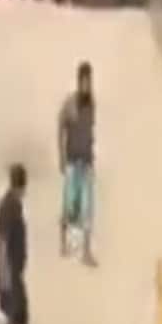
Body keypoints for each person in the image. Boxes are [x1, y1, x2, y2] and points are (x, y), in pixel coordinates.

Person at [57, 62, 98, 265]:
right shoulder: (70, 104)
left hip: (86, 160)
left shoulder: (92, 103)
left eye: (89, 82)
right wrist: (61, 157)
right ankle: (63, 243)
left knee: (88, 207)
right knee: (69, 206)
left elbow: (91, 130)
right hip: (73, 161)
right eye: (84, 82)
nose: (87, 86)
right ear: (78, 81)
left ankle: (86, 251)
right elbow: (60, 126)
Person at [0, 163, 30, 324]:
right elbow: (3, 238)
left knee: (18, 310)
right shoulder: (10, 206)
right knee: (16, 311)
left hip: (14, 266)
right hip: (10, 266)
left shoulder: (12, 204)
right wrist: (4, 270)